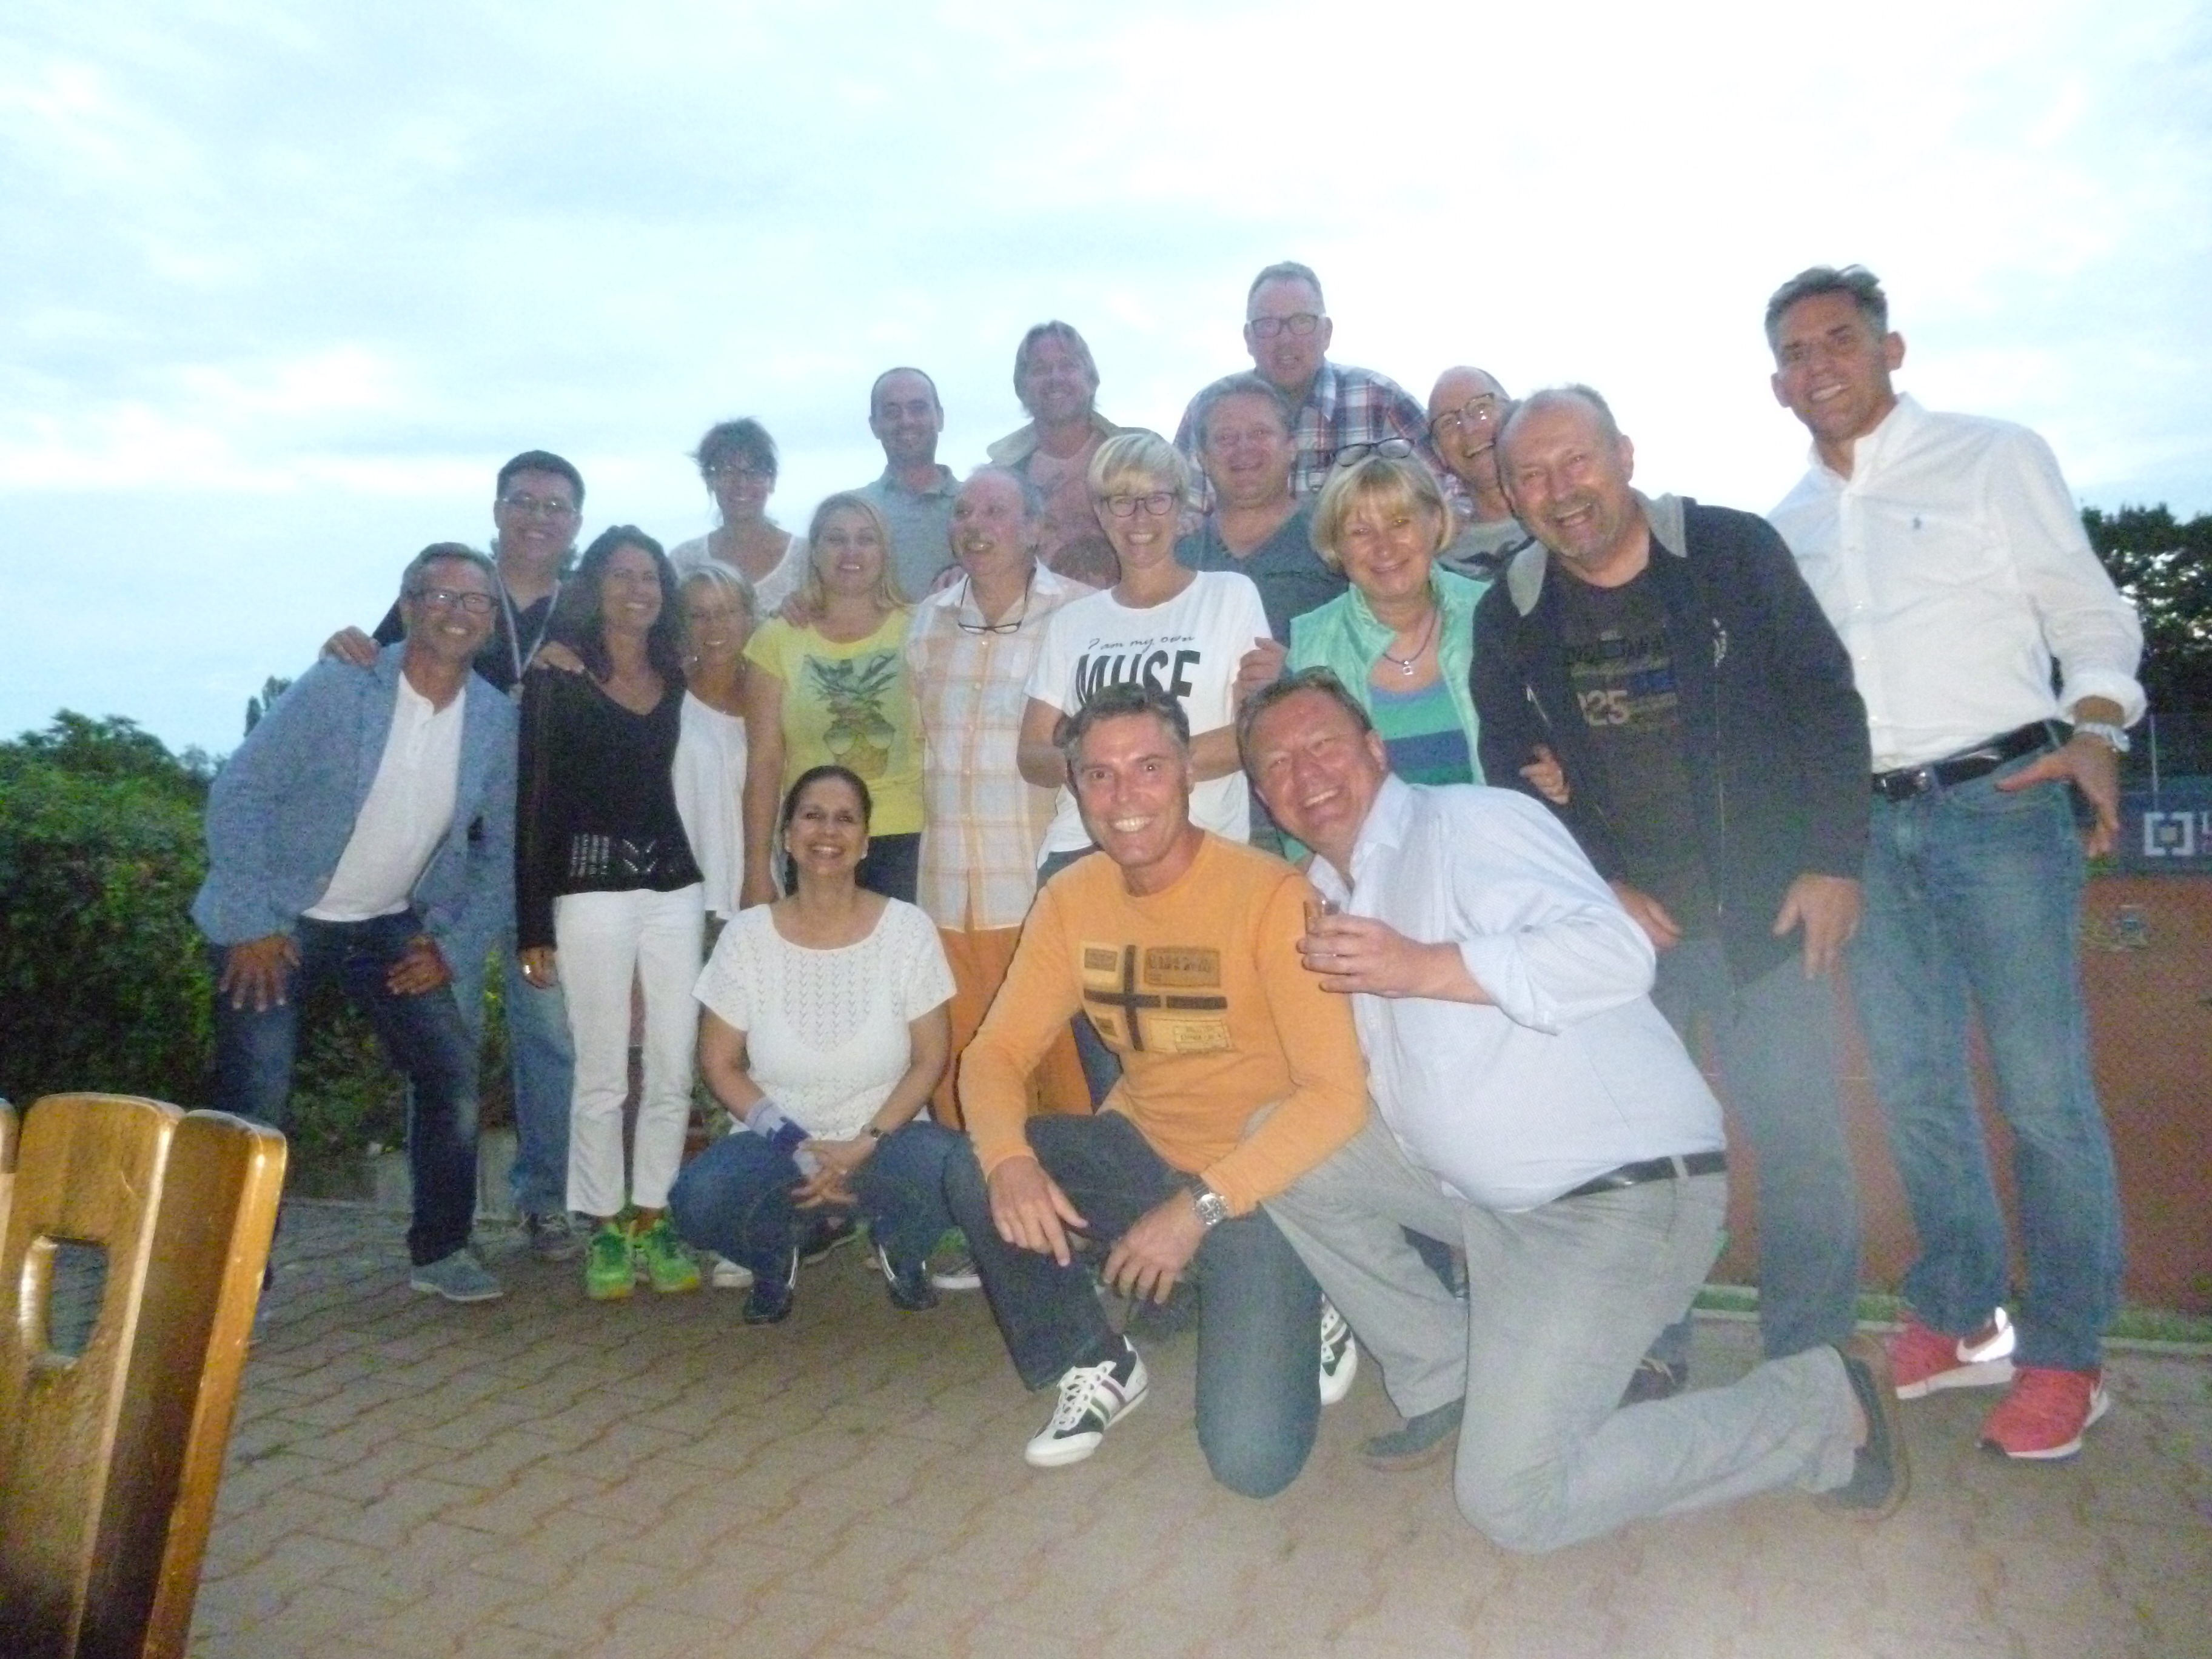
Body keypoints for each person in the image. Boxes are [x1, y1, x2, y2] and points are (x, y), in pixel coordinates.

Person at [1247, 670, 1908, 1552]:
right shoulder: (1325, 889)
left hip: (1614, 1201)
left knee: (1514, 1503)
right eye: (1277, 764)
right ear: (1263, 797)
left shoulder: (1471, 823)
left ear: (1376, 748)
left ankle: (1820, 1405)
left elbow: (1615, 953)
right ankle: (1451, 1377)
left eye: (1323, 745)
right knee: (1276, 1144)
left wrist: (1423, 965)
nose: (1305, 774)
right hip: (1486, 1203)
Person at [1765, 264, 2143, 1460]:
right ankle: (1961, 1310)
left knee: (2041, 1092)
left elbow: (2088, 612)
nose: (1819, 364)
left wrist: (2096, 726)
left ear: (1891, 349)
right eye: (1796, 352)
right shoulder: (1784, 528)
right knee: (1913, 1085)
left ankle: (2066, 1354)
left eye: (1840, 339)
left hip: (2001, 802)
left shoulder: (1993, 457)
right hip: (1864, 830)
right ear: (1776, 385)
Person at [1470, 385, 1871, 1394]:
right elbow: (1508, 770)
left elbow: (1826, 700)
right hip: (1626, 941)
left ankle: (1812, 1359)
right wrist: (1597, 882)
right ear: (1509, 495)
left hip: (1765, 914)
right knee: (1645, 1159)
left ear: (1625, 454)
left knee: (1799, 1141)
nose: (1560, 490)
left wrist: (1834, 859)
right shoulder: (1510, 611)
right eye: (1530, 476)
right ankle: (1650, 1349)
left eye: (1576, 461)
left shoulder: (1730, 552)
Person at [945, 683, 1368, 1495]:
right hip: (1145, 1156)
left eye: (1147, 768)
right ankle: (1095, 1359)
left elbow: (1336, 1097)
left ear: (1188, 775)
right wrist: (1009, 1162)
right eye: (1099, 776)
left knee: (1252, 1463)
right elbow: (994, 1052)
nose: (1124, 798)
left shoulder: (1270, 896)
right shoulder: (1072, 898)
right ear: (1076, 789)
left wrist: (1194, 1210)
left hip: (1264, 1188)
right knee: (977, 1165)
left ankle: (1312, 1289)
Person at [196, 545, 515, 1302]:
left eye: (475, 600)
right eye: (440, 595)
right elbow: (241, 790)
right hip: (282, 919)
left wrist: (452, 947)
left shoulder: (497, 720)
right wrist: (250, 921)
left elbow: (502, 850)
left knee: (450, 1071)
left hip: (387, 924)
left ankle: (441, 1250)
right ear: (408, 606)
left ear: (491, 622)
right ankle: (234, 1276)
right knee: (256, 1094)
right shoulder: (342, 684)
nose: (457, 612)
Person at [324, 451, 583, 1263]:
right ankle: (448, 1223)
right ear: (498, 509)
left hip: (546, 859)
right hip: (448, 863)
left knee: (553, 1039)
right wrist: (341, 647)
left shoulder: (584, 608)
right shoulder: (457, 593)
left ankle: (547, 1203)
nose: (538, 518)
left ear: (576, 523)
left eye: (556, 507)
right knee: (448, 1039)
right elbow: (372, 669)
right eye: (524, 501)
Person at [1016, 431, 1273, 1104]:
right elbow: (1033, 753)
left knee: (1209, 1059)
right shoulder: (1075, 624)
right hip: (1083, 857)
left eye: (1156, 499)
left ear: (1183, 508)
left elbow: (1253, 734)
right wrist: (1108, 774)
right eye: (1119, 501)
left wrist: (1124, 771)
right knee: (1114, 1070)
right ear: (1100, 513)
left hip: (1200, 856)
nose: (1138, 518)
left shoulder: (1229, 596)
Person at [668, 766, 962, 1322]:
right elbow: (720, 1064)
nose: (828, 831)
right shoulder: (746, 937)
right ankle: (775, 1254)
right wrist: (800, 1148)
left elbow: (931, 1059)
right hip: (777, 1147)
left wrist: (863, 1144)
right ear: (787, 836)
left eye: (845, 819)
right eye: (812, 816)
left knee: (957, 1171)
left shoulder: (907, 929)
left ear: (865, 842)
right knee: (697, 1200)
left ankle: (901, 1245)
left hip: (886, 1141)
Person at [516, 527, 705, 1301]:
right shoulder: (558, 676)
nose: (638, 589)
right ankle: (603, 1224)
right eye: (622, 575)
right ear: (595, 587)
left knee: (672, 1063)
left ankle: (653, 1216)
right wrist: (533, 924)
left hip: (675, 888)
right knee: (600, 1070)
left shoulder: (679, 677)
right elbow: (535, 802)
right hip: (588, 889)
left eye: (650, 577)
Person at [903, 467, 1092, 1127]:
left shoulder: (1081, 614)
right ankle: (977, 1182)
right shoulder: (927, 621)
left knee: (1061, 1070)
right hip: (946, 888)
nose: (975, 526)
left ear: (1035, 528)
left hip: (1037, 882)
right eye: (963, 513)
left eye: (995, 512)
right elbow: (918, 741)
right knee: (964, 1067)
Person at [740, 494, 925, 906]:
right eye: (836, 539)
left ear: (885, 551)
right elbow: (765, 763)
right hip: (814, 839)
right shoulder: (776, 639)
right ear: (815, 552)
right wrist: (756, 870)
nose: (851, 551)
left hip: (906, 838)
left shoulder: (922, 628)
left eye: (866, 539)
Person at [1173, 261, 1452, 508]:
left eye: (1301, 322)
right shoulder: (1208, 410)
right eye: (1268, 324)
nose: (1285, 340)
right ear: (1248, 338)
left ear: (1326, 333)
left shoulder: (1381, 401)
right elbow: (1178, 512)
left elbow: (1448, 499)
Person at [1292, 451, 1487, 789]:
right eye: (1360, 532)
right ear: (1336, 546)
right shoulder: (1307, 646)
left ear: (1435, 522)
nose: (1384, 547)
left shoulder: (1493, 614)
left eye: (1399, 523)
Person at [1176, 372, 1347, 644]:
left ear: (1292, 447)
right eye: (1225, 437)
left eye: (1260, 433)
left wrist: (1293, 665)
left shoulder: (1337, 539)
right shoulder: (1178, 552)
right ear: (1203, 459)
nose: (1243, 448)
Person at [986, 321, 1124, 588]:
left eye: (1068, 366)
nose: (1055, 378)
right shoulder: (1000, 477)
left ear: (1092, 380)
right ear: (1021, 388)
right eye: (1040, 369)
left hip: (1134, 609)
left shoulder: (1138, 458)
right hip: (1037, 612)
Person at [670, 563, 756, 930]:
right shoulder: (663, 694)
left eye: (727, 612)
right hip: (675, 894)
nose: (714, 626)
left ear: (749, 618)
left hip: (754, 891)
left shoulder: (772, 695)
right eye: (699, 615)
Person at [668, 418, 811, 616]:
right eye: (727, 471)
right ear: (710, 480)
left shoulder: (807, 558)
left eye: (754, 472)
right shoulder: (683, 561)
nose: (741, 483)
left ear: (771, 481)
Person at [854, 367, 960, 600]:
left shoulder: (978, 508)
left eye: (918, 408)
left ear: (940, 418)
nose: (906, 421)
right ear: (874, 426)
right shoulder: (853, 513)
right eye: (892, 412)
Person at [1426, 367, 1537, 581]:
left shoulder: (1568, 516)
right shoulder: (1441, 567)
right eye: (1448, 423)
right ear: (1438, 452)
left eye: (1481, 408)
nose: (1469, 429)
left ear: (1513, 413)